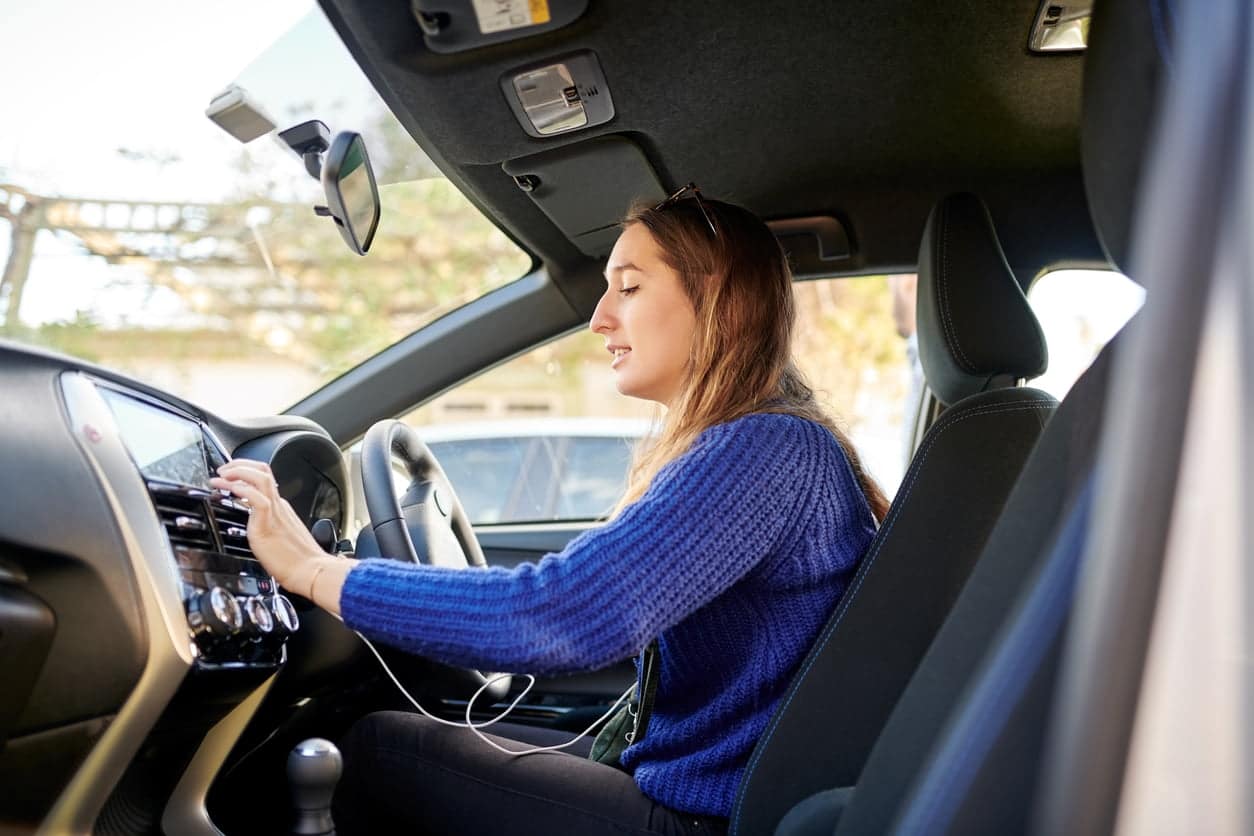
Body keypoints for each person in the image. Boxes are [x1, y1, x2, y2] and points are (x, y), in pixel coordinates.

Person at [211, 186, 887, 836]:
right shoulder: (773, 442)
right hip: (693, 791)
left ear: (718, 302)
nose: (600, 318)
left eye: (629, 287)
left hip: (700, 819)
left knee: (380, 750)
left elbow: (560, 614)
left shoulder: (764, 449)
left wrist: (311, 570)